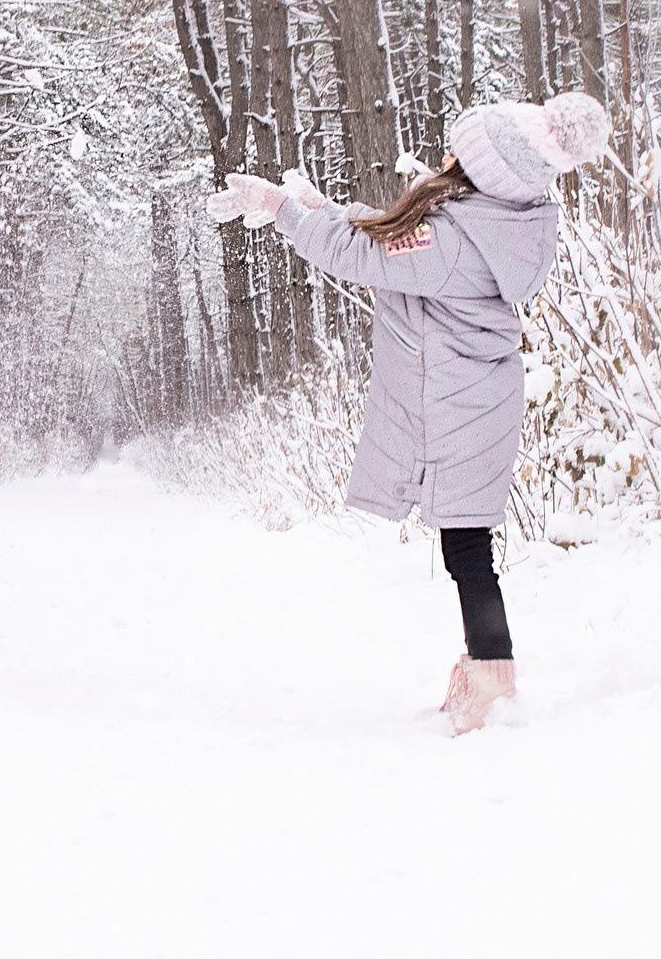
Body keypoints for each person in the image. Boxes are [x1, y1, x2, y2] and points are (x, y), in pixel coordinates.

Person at [206, 94, 610, 733]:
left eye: (461, 149)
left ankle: (494, 680)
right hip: (475, 399)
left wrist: (283, 210)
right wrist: (318, 208)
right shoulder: (496, 220)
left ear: (480, 172)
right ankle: (488, 668)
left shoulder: (455, 240)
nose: (446, 154)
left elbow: (366, 255)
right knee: (466, 546)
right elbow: (393, 237)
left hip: (461, 408)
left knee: (467, 550)